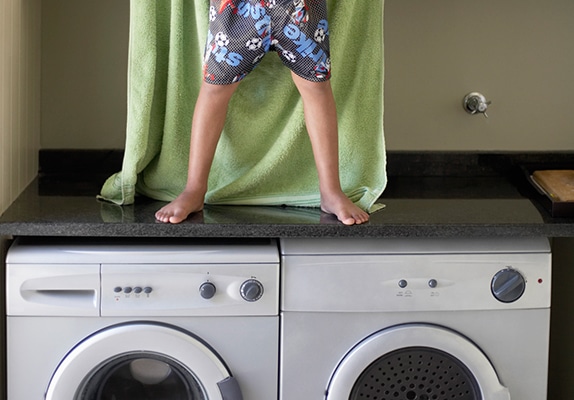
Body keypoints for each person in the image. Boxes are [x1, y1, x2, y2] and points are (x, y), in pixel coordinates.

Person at [155, 0, 369, 225]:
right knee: (214, 90)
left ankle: (331, 190)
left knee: (317, 87)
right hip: (236, 10)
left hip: (301, 7)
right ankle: (194, 189)